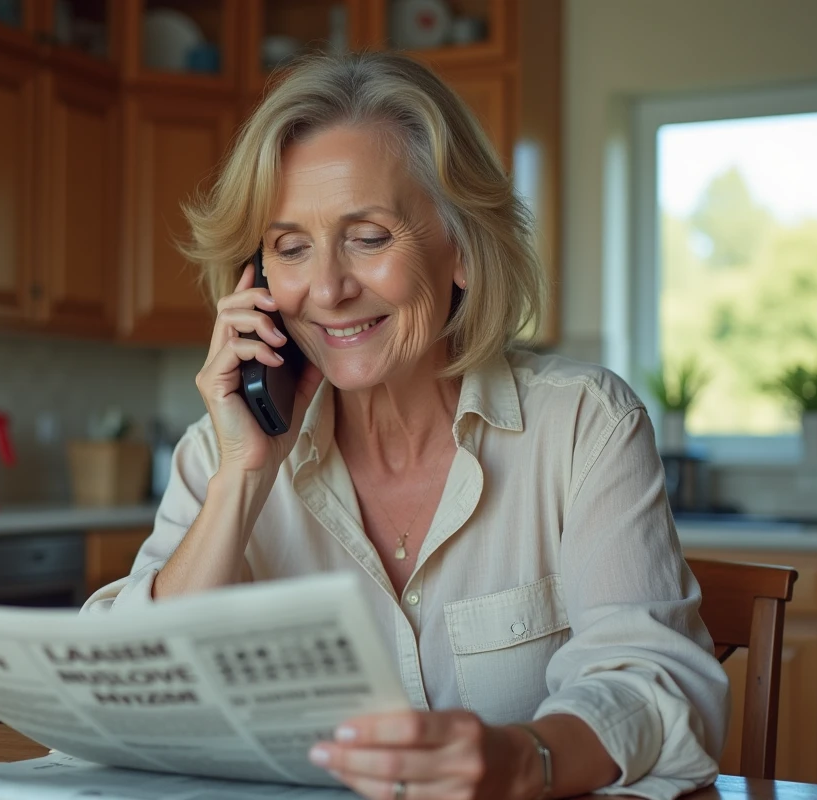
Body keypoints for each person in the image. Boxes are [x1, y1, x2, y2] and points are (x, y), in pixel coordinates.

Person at [84, 51, 728, 800]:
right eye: (291, 248)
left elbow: (654, 685)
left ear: (462, 249)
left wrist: (519, 760)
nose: (328, 289)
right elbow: (119, 702)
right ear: (255, 281)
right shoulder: (222, 454)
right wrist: (243, 480)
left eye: (369, 237)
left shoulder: (584, 425)